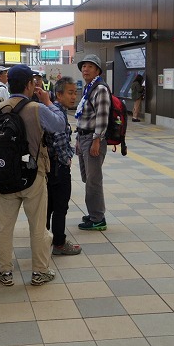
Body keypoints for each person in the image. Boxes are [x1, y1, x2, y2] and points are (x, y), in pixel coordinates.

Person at [0, 64, 66, 286]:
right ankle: (40, 271)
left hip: (3, 176)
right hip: (33, 176)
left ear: (9, 84)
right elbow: (60, 125)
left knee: (4, 227)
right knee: (38, 227)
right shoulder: (37, 108)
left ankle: (4, 272)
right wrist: (48, 102)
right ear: (30, 84)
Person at [45, 77, 81, 255]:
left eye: (75, 93)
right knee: (60, 206)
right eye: (70, 93)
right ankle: (59, 243)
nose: (74, 97)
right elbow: (59, 140)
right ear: (59, 94)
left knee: (48, 206)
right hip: (58, 167)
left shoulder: (50, 109)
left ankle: (43, 241)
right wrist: (66, 159)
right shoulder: (58, 112)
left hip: (48, 166)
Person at [75, 54, 111, 231]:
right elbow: (83, 116)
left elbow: (102, 117)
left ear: (97, 70)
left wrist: (97, 140)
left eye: (90, 66)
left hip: (93, 139)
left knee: (93, 180)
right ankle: (93, 213)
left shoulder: (100, 89)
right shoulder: (89, 88)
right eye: (83, 66)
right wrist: (78, 139)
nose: (85, 69)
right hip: (84, 137)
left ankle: (98, 218)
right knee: (87, 178)